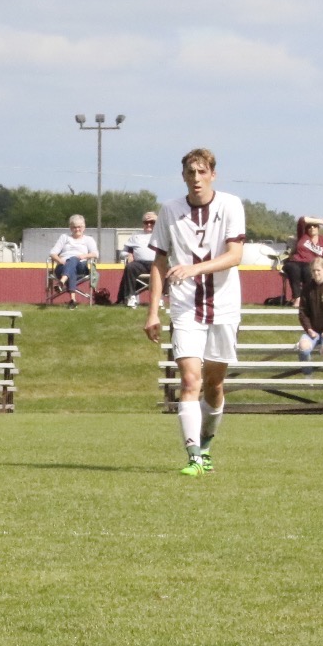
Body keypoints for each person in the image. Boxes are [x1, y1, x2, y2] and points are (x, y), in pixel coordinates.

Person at [144, 148, 247, 476]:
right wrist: (153, 311)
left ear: (213, 174)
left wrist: (193, 268)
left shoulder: (231, 205)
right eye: (191, 172)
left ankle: (205, 446)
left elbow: (235, 255)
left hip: (224, 306)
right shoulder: (170, 210)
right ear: (183, 176)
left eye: (202, 172)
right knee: (190, 380)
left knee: (214, 384)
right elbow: (159, 262)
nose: (196, 178)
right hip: (185, 306)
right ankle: (193, 458)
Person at [49, 215, 99, 307]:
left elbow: (95, 254)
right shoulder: (64, 237)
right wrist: (59, 260)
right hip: (62, 266)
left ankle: (61, 282)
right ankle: (73, 300)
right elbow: (52, 253)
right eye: (74, 227)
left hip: (81, 267)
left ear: (84, 227)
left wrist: (84, 256)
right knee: (71, 267)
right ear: (70, 228)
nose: (77, 229)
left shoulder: (88, 239)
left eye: (79, 227)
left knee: (73, 259)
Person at [116, 212, 159, 306]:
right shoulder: (136, 237)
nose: (149, 224)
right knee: (130, 267)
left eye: (152, 222)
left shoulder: (161, 235)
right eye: (146, 222)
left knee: (167, 267)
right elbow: (122, 253)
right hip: (140, 264)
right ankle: (130, 296)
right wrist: (128, 254)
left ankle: (161, 296)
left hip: (157, 263)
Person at [284, 217, 323, 300]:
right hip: (295, 261)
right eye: (309, 226)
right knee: (294, 269)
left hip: (311, 263)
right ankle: (297, 298)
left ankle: (308, 298)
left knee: (308, 270)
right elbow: (302, 220)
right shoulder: (303, 235)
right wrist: (320, 221)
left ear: (318, 228)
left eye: (314, 226)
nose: (312, 228)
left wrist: (321, 264)